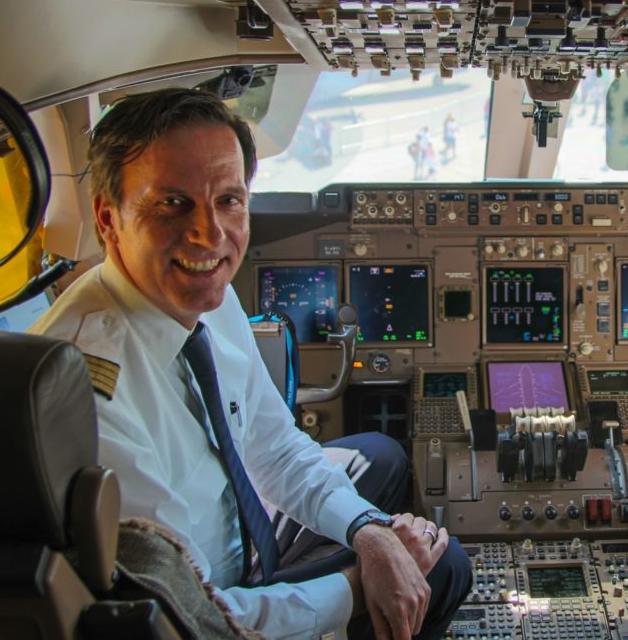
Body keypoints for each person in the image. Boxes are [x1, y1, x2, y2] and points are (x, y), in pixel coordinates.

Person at [30, 88, 471, 640]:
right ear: (107, 217)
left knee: (381, 456)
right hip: (209, 598)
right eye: (173, 203)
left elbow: (272, 444)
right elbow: (189, 616)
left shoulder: (204, 292)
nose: (210, 236)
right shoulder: (86, 389)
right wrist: (361, 584)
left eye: (229, 200)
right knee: (443, 568)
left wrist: (369, 531)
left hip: (244, 537)